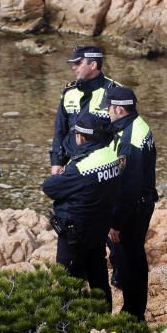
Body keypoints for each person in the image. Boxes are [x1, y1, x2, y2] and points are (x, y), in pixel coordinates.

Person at [43, 112, 121, 311]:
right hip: (98, 226)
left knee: (69, 278)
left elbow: (50, 187)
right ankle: (103, 317)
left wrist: (61, 174)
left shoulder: (82, 167)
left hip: (75, 230)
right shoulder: (109, 155)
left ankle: (68, 328)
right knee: (98, 273)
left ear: (80, 136)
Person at [107, 86, 158, 320]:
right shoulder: (138, 125)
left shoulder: (130, 140)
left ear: (119, 109)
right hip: (141, 202)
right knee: (133, 257)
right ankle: (135, 309)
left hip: (134, 208)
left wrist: (116, 222)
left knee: (131, 260)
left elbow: (129, 186)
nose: (107, 112)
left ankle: (133, 313)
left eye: (108, 108)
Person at [50, 45, 119, 175]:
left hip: (101, 166)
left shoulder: (115, 92)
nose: (73, 67)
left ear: (92, 65)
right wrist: (56, 162)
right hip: (71, 163)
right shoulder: (69, 91)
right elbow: (60, 130)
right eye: (73, 63)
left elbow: (123, 134)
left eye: (78, 63)